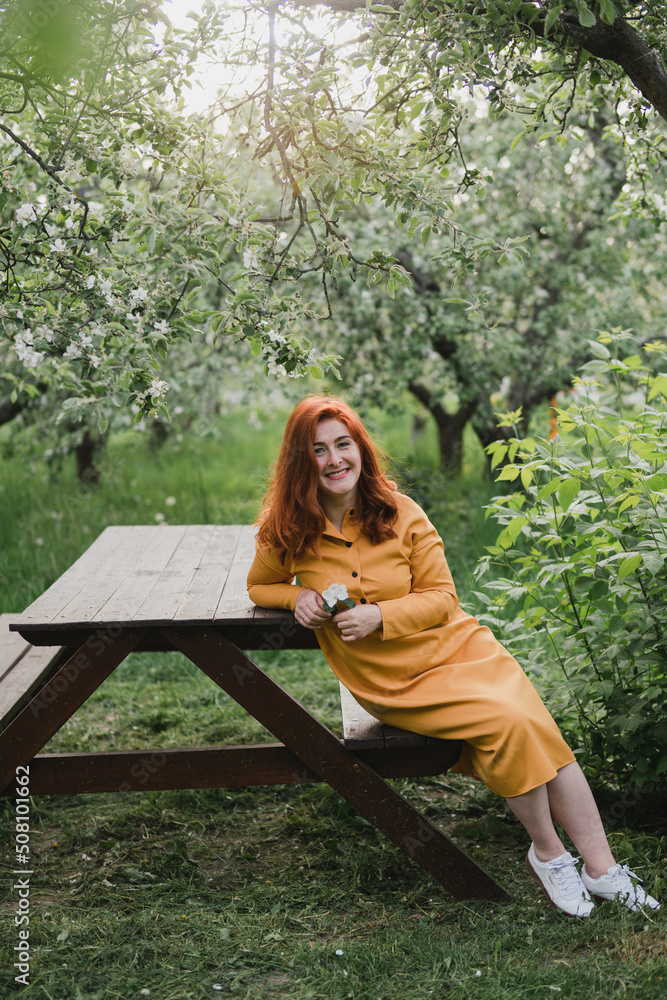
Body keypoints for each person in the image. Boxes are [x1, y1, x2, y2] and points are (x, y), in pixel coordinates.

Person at [246, 395, 660, 916]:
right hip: (393, 678)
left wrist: (380, 615)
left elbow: (443, 598)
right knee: (511, 722)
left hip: (462, 647)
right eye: (318, 450)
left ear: (360, 449)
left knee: (537, 726)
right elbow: (259, 585)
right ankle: (550, 854)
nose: (334, 460)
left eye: (343, 444)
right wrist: (297, 597)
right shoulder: (287, 528)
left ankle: (601, 870)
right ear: (300, 461)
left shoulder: (400, 512)